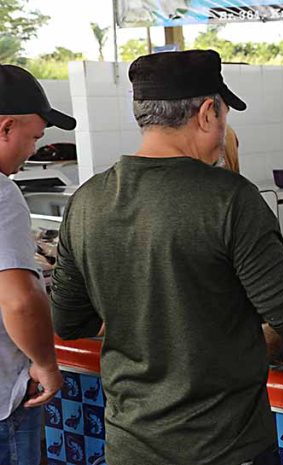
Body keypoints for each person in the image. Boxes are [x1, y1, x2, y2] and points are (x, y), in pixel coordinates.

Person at [50, 50, 283, 465]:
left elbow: (69, 322)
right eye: (224, 114)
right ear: (208, 113)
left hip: (130, 447)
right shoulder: (230, 199)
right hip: (226, 448)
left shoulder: (86, 201)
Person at [0, 64, 74, 464]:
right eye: (34, 139)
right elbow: (19, 301)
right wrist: (46, 364)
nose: (32, 151)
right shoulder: (2, 194)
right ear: (6, 127)